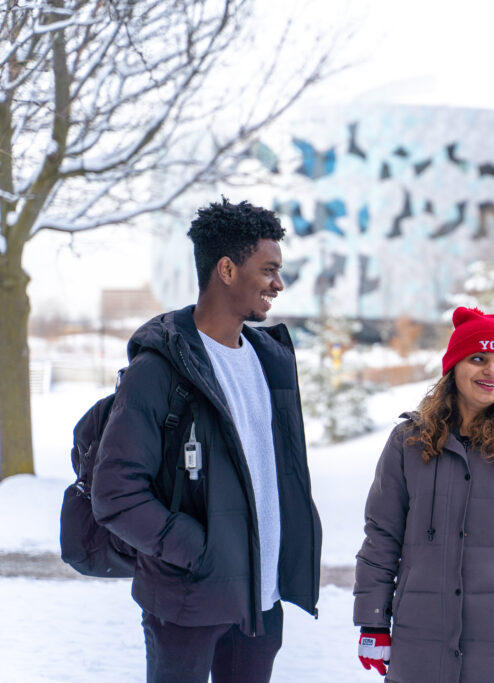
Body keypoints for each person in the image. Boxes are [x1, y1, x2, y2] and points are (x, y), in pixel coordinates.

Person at [91, 198, 322, 683]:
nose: (279, 284)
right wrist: (202, 552)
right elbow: (116, 494)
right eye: (269, 270)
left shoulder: (269, 359)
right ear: (226, 269)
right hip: (187, 602)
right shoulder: (158, 369)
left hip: (261, 605)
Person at [353, 307, 494, 683]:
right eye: (478, 359)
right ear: (453, 367)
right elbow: (381, 536)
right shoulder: (409, 442)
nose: (492, 371)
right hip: (417, 636)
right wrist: (373, 621)